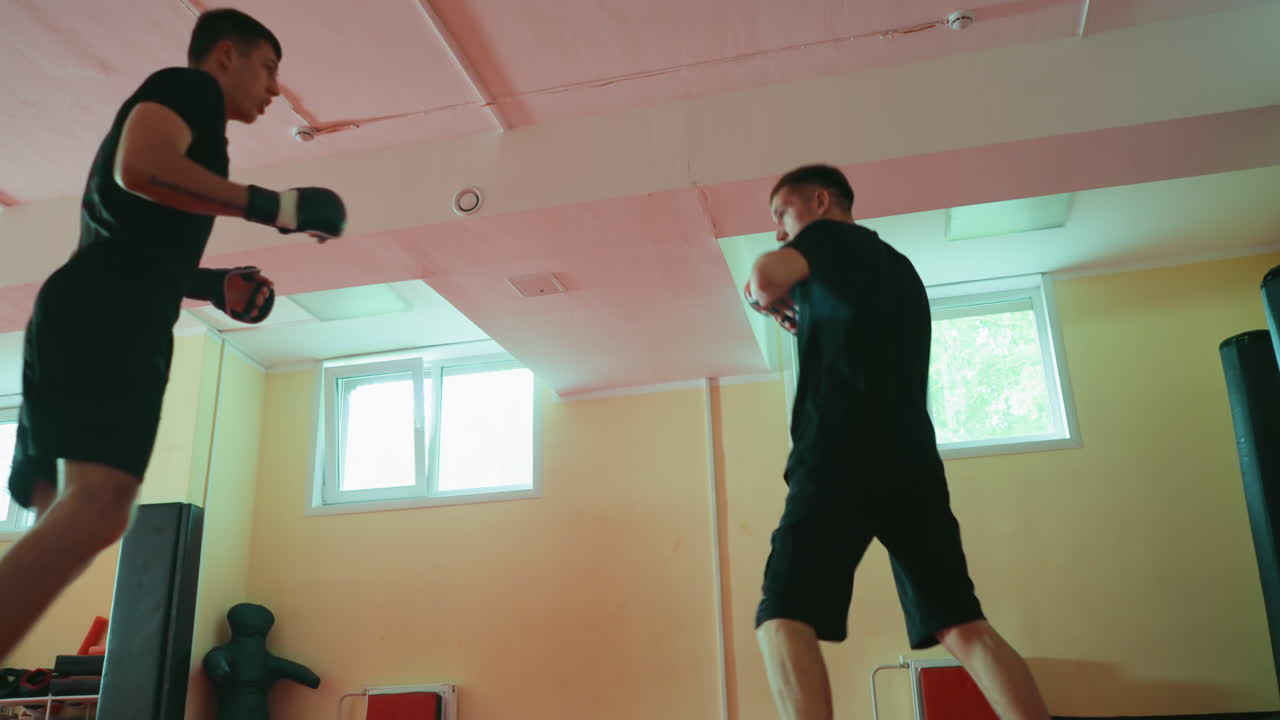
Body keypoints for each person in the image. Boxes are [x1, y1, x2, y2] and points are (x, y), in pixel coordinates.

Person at [0, 7, 346, 661]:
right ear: (224, 56)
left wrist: (215, 287)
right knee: (98, 508)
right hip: (109, 312)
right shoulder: (190, 90)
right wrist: (276, 207)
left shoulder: (197, 119)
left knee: (67, 518)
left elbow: (135, 233)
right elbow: (141, 166)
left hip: (94, 303)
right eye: (268, 68)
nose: (275, 89)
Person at [744, 165, 1050, 720]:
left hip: (838, 448)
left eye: (782, 214)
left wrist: (761, 298)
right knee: (962, 623)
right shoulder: (898, 268)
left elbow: (765, 273)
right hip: (911, 460)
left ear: (819, 202)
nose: (779, 232)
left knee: (782, 614)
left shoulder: (831, 237)